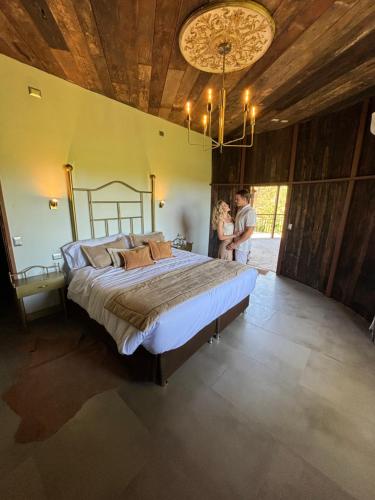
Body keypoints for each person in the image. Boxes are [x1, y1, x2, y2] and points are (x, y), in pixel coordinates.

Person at [227, 189, 256, 264]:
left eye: (237, 199)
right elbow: (240, 224)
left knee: (240, 268)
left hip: (242, 246)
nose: (235, 201)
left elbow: (249, 231)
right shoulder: (240, 210)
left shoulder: (250, 211)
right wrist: (231, 220)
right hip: (236, 244)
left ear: (245, 199)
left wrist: (236, 244)